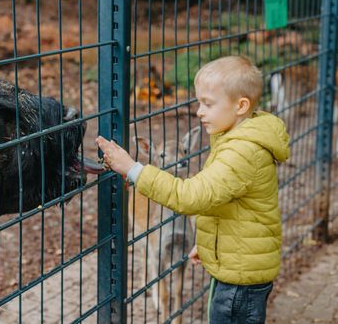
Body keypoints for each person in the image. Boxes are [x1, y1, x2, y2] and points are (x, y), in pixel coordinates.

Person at [96, 55, 289, 323]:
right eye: (200, 103)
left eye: (208, 104)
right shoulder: (237, 140)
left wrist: (133, 169)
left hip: (240, 280)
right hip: (238, 268)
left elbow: (191, 196)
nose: (199, 111)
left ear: (240, 106)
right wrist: (210, 243)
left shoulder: (241, 152)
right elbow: (229, 203)